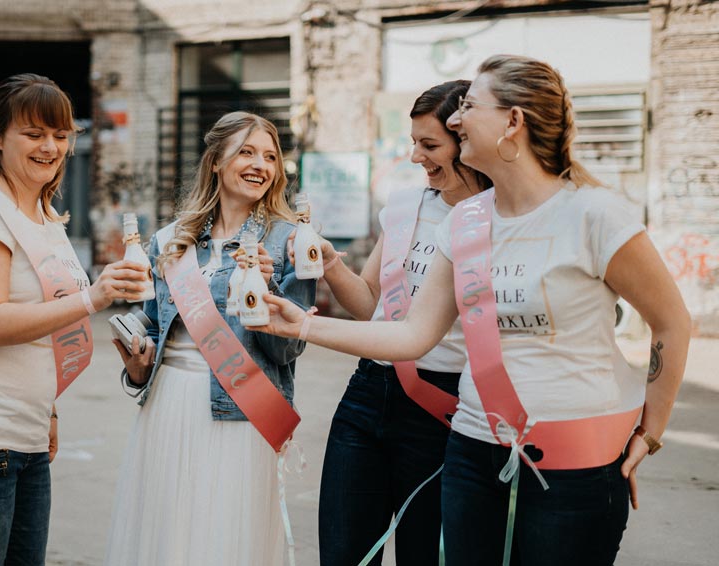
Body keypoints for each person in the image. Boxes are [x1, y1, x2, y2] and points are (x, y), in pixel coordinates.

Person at [252, 54, 691, 566]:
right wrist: (304, 322)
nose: (456, 121)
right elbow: (412, 335)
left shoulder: (594, 214)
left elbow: (672, 322)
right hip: (469, 447)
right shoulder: (464, 222)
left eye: (468, 108)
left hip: (576, 460)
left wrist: (650, 431)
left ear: (513, 122)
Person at [0, 73, 149, 565]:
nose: (50, 146)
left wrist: (48, 408)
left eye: (60, 134)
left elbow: (40, 325)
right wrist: (94, 299)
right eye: (33, 134)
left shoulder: (42, 214)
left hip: (26, 434)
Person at [104, 111, 316, 566]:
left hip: (243, 410)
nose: (260, 164)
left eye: (270, 156)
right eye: (246, 152)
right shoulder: (170, 240)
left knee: (226, 541)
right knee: (168, 535)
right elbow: (153, 328)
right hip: (167, 407)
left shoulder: (289, 242)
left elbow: (288, 348)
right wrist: (136, 363)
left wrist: (270, 292)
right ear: (216, 161)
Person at [303, 80, 489, 565]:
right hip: (368, 395)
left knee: (422, 554)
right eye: (413, 143)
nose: (415, 157)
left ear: (465, 141)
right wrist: (330, 264)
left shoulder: (497, 218)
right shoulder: (405, 207)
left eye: (429, 145)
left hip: (445, 405)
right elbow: (372, 308)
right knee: (343, 551)